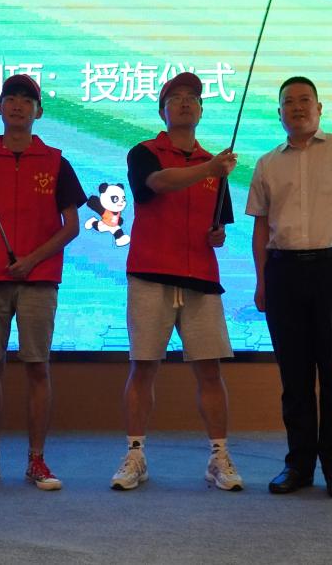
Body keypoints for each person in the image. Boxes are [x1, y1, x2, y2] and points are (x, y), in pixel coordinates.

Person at [0, 74, 85, 492]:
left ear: (38, 111)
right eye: (10, 98)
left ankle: (37, 460)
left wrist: (32, 260)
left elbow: (72, 226)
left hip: (39, 278)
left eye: (27, 100)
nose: (18, 105)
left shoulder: (56, 161)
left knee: (37, 368)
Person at [110, 72, 243, 492]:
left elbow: (219, 226)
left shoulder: (215, 165)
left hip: (201, 277)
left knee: (210, 371)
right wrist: (210, 168)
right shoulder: (145, 153)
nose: (185, 103)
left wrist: (217, 235)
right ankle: (135, 454)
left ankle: (219, 456)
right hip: (151, 273)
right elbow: (158, 184)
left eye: (193, 98)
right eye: (176, 97)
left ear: (201, 111)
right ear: (163, 111)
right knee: (143, 367)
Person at [246, 75, 332, 498]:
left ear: (319, 108)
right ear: (279, 112)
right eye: (289, 102)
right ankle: (298, 466)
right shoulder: (267, 163)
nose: (298, 107)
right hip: (284, 274)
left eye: (305, 100)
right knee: (295, 377)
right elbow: (261, 227)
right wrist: (262, 280)